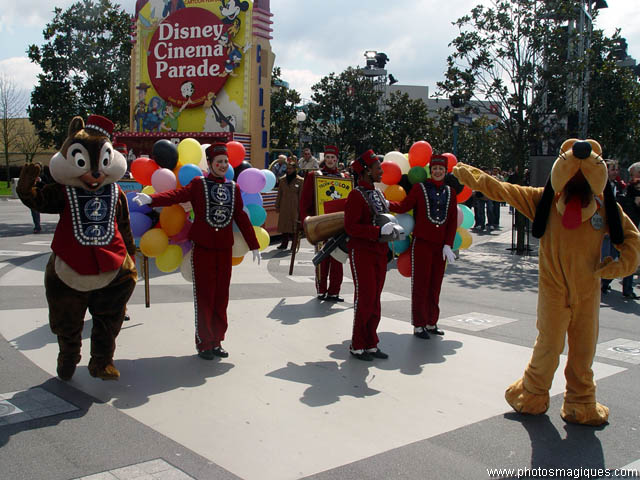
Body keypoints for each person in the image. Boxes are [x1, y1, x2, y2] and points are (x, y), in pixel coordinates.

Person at [133, 143, 260, 359]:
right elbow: (176, 195)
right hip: (203, 249)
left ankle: (217, 341)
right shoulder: (198, 184)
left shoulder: (233, 188)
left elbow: (241, 217)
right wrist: (152, 199)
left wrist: (253, 244)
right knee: (205, 297)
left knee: (221, 297)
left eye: (225, 162)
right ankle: (203, 343)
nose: (222, 165)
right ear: (209, 164)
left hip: (223, 250)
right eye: (218, 162)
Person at [389, 154, 458, 338]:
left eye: (441, 169)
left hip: (440, 247)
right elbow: (404, 206)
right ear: (430, 170)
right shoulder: (420, 188)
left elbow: (451, 221)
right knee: (421, 284)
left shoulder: (450, 193)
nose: (437, 172)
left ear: (445, 171)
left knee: (435, 285)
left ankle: (431, 322)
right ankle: (419, 325)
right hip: (422, 245)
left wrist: (448, 245)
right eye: (434, 169)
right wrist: (386, 203)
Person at [344, 150, 395, 360]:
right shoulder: (356, 195)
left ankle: (371, 343)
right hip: (362, 252)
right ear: (366, 171)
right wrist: (376, 232)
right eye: (377, 168)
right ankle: (357, 344)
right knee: (364, 299)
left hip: (379, 252)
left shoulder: (378, 193)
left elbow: (392, 209)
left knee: (375, 300)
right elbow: (351, 227)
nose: (382, 171)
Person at [299, 145, 346, 301]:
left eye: (333, 158)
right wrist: (307, 223)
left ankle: (334, 291)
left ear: (337, 160)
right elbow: (305, 202)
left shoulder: (344, 177)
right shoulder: (314, 175)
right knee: (322, 258)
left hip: (339, 225)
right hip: (320, 224)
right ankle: (321, 290)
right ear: (324, 159)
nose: (330, 160)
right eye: (328, 157)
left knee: (337, 259)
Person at [601, 159, 626, 295]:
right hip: (605, 227)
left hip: (615, 225)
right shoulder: (601, 185)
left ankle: (606, 281)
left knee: (614, 254)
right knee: (605, 256)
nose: (615, 171)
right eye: (613, 169)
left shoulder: (618, 185)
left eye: (617, 169)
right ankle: (601, 283)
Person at [620, 161, 640, 299]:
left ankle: (606, 281)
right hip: (632, 225)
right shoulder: (635, 187)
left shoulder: (629, 186)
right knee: (631, 255)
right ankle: (626, 288)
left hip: (630, 224)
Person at [275, 158, 303, 250]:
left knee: (294, 226)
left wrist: (300, 209)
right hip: (284, 205)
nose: (288, 170)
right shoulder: (282, 180)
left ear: (295, 169)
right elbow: (279, 194)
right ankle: (284, 244)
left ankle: (294, 245)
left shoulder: (300, 181)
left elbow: (301, 195)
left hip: (295, 206)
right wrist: (277, 205)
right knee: (284, 225)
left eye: (290, 168)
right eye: (287, 168)